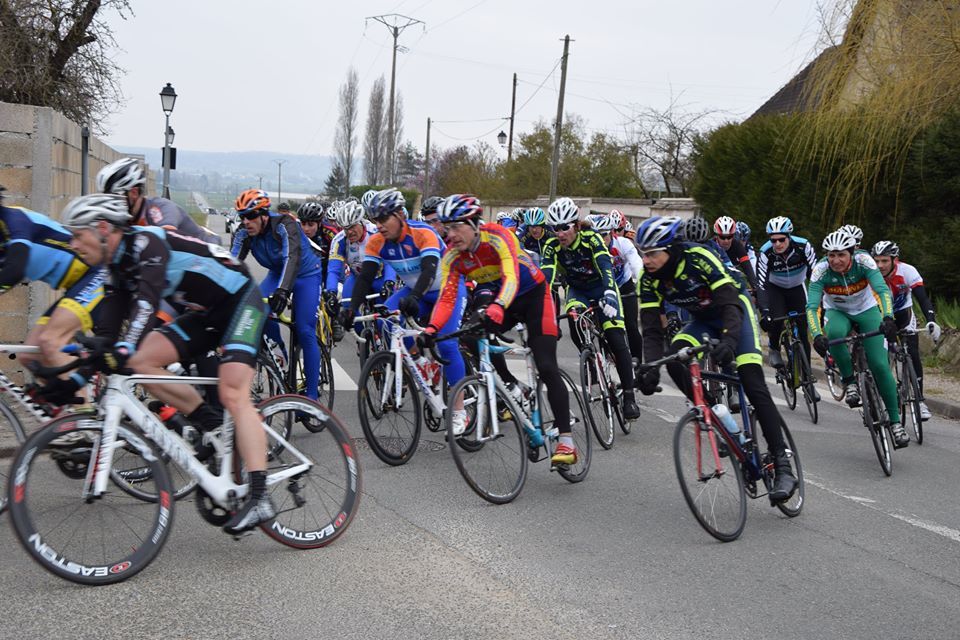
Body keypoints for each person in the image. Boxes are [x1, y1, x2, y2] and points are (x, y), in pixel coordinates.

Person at [55, 193, 273, 534]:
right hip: (204, 314)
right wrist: (81, 373)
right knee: (140, 363)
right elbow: (109, 331)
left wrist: (122, 349)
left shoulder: (146, 244)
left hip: (240, 300)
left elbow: (146, 303)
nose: (73, 243)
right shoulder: (114, 265)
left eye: (77, 234)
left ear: (101, 228)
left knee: (233, 391)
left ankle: (260, 497)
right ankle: (211, 425)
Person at [634, 216, 798, 501]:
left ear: (671, 249)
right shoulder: (647, 280)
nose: (645, 260)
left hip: (734, 311)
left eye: (651, 254)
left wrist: (730, 341)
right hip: (701, 320)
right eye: (642, 253)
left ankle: (783, 465)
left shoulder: (699, 257)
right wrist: (650, 367)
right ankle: (714, 415)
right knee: (675, 356)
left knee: (752, 381)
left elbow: (730, 301)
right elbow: (650, 329)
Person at [423, 194, 580, 464]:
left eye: (456, 226)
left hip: (531, 295)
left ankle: (566, 440)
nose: (451, 234)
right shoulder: (452, 257)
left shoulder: (497, 236)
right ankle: (512, 385)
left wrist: (497, 307)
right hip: (498, 299)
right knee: (470, 336)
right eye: (446, 228)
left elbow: (511, 277)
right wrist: (432, 329)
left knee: (545, 364)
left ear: (474, 223)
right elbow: (447, 298)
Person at [341, 188, 467, 428]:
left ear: (399, 215)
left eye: (383, 219)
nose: (379, 226)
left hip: (446, 289)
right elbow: (365, 277)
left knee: (446, 343)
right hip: (414, 289)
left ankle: (460, 411)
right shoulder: (377, 241)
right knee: (384, 320)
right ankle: (421, 363)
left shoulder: (423, 232)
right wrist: (351, 309)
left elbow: (430, 269)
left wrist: (416, 296)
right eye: (375, 220)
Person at [539, 197, 640, 420]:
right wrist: (543, 311)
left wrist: (611, 294)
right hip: (578, 291)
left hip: (602, 288)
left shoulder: (591, 238)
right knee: (575, 319)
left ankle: (630, 397)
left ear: (575, 225)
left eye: (564, 227)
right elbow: (546, 279)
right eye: (555, 228)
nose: (559, 233)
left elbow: (605, 267)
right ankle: (592, 362)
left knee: (616, 338)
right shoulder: (551, 246)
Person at [807, 228, 909, 447]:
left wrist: (888, 318)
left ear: (852, 252)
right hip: (837, 312)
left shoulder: (864, 262)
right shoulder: (820, 270)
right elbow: (812, 307)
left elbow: (882, 290)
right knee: (833, 334)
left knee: (880, 366)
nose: (836, 260)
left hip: (866, 309)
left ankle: (895, 422)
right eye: (831, 255)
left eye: (841, 254)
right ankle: (849, 382)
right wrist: (816, 335)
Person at [231, 188, 324, 402]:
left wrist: (282, 291)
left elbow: (291, 258)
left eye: (251, 216)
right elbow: (231, 264)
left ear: (264, 214)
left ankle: (311, 397)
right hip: (277, 273)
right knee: (257, 311)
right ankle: (280, 359)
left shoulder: (284, 224)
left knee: (304, 329)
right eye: (242, 217)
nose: (246, 222)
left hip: (305, 274)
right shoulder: (243, 233)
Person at [0, 191, 106, 373]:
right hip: (75, 286)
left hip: (95, 273)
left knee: (50, 342)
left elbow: (15, 269)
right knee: (30, 357)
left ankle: (83, 401)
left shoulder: (15, 220)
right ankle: (61, 399)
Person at [871, 240, 940, 421]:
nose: (880, 265)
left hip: (904, 315)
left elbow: (923, 299)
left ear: (895, 260)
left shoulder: (907, 271)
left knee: (913, 353)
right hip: (880, 316)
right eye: (877, 261)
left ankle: (919, 400)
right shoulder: (869, 275)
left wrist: (931, 321)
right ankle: (886, 396)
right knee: (882, 358)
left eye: (884, 261)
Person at [96, 157, 220, 244]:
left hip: (209, 255)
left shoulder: (161, 208)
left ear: (133, 193)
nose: (109, 204)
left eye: (114, 197)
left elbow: (165, 238)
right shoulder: (125, 218)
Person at [324, 201, 396, 339]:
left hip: (380, 277)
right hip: (357, 277)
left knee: (387, 319)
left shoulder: (376, 232)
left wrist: (389, 281)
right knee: (347, 306)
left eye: (352, 227)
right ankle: (364, 339)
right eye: (345, 228)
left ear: (361, 222)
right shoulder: (340, 240)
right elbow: (333, 270)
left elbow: (389, 262)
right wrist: (331, 292)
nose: (349, 232)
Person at [756, 216, 818, 371]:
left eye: (781, 239)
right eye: (773, 240)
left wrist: (819, 301)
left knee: (803, 330)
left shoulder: (804, 246)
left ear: (789, 237)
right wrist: (764, 311)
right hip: (775, 288)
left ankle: (807, 373)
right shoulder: (766, 252)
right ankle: (774, 347)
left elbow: (816, 276)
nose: (777, 244)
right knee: (775, 320)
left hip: (797, 287)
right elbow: (761, 284)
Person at [592, 214, 644, 375]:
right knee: (605, 328)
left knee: (631, 324)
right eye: (597, 236)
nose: (601, 239)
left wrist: (642, 286)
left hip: (624, 285)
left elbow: (637, 264)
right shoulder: (591, 247)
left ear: (612, 233)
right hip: (604, 286)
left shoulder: (623, 244)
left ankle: (638, 362)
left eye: (604, 235)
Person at [709, 215, 758, 291]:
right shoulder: (710, 246)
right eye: (722, 237)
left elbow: (747, 268)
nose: (726, 241)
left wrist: (755, 287)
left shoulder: (737, 245)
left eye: (729, 237)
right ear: (716, 236)